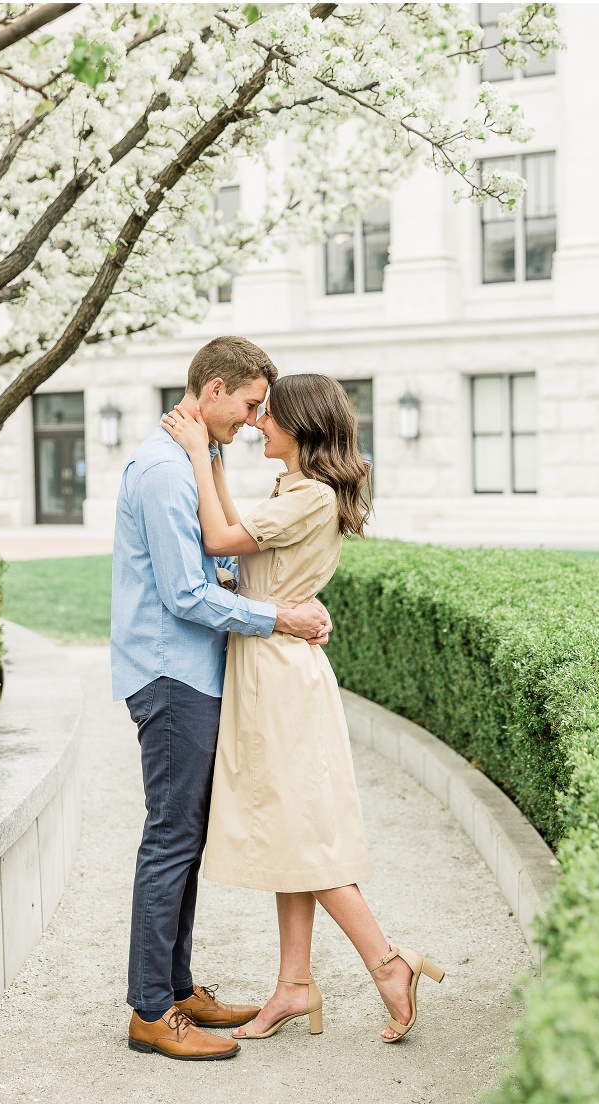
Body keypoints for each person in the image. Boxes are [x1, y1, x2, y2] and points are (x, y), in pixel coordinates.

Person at [160, 373, 444, 1045]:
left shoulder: (309, 496)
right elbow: (236, 531)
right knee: (294, 832)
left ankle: (387, 961)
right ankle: (292, 985)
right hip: (275, 665)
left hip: (279, 677)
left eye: (269, 415)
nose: (258, 422)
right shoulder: (298, 491)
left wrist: (201, 454)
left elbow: (221, 542)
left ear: (301, 426)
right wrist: (218, 461)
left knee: (305, 837)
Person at [110, 337, 332, 1062]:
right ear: (212, 391)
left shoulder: (188, 462)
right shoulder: (161, 471)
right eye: (247, 404)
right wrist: (281, 617)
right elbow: (184, 594)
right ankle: (150, 1011)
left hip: (195, 675)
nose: (252, 418)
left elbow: (224, 559)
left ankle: (176, 991)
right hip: (172, 677)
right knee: (171, 838)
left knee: (186, 838)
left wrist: (212, 466)